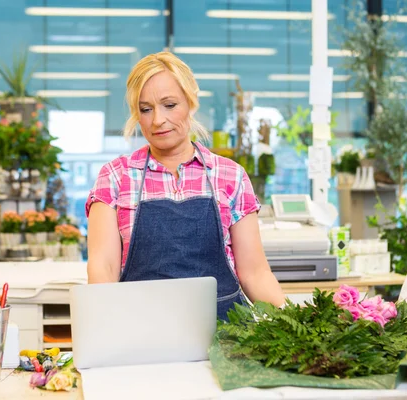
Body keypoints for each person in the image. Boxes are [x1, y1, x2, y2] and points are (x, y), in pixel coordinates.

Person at [85, 51, 285, 320]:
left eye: (169, 105)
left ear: (191, 102)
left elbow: (254, 273)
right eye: (146, 109)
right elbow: (103, 271)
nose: (158, 120)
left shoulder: (230, 175)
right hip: (140, 335)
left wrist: (295, 324)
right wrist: (102, 334)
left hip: (226, 339)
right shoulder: (115, 177)